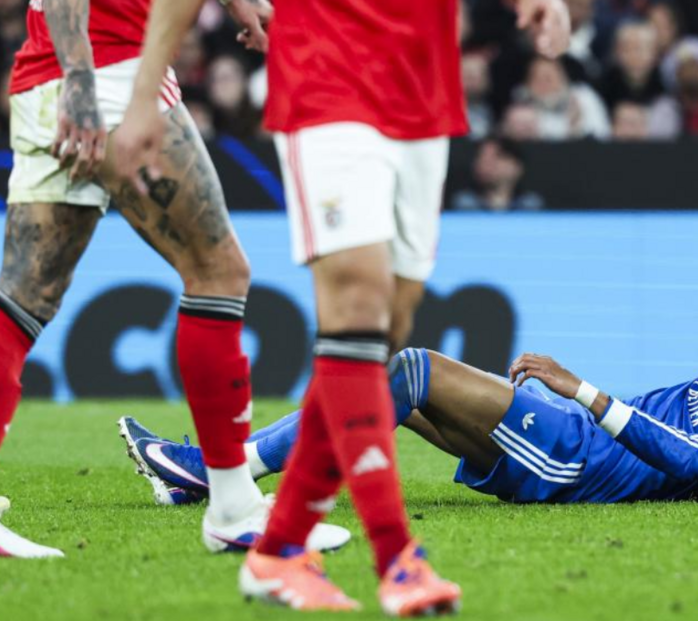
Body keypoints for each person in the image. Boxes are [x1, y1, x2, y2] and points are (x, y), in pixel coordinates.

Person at [117, 114, 698, 515]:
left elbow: (693, 462)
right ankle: (228, 477)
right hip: (574, 444)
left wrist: (582, 391)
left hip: (580, 463)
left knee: (407, 370)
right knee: (394, 386)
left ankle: (221, 472)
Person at [109, 0, 571, 613]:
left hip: (422, 87)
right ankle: (397, 555)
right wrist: (145, 91)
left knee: (386, 333)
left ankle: (275, 551)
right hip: (327, 74)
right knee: (356, 304)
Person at [0, 0, 343, 559]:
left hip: (53, 73)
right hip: (107, 73)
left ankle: (235, 505)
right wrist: (83, 79)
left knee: (22, 299)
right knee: (219, 272)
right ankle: (234, 508)